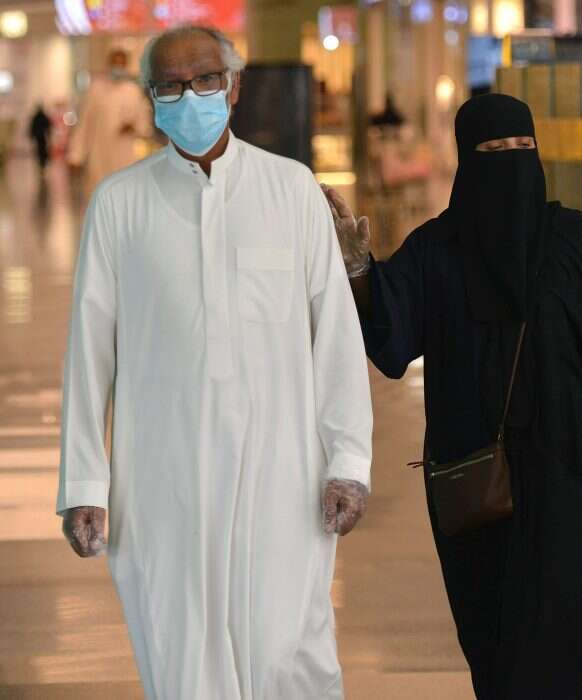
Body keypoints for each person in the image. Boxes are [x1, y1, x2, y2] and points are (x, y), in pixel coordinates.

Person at [57, 25, 373, 699]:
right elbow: (89, 351)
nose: (190, 96)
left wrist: (349, 461)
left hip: (283, 473)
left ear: (233, 87)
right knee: (183, 657)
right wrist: (84, 482)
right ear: (151, 98)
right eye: (171, 86)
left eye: (204, 80)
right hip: (162, 478)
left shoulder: (291, 190)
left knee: (290, 654)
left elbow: (336, 337)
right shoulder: (120, 204)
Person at [323, 93, 582, 699]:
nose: (511, 160)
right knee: (492, 640)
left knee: (561, 640)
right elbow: (394, 338)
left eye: (522, 147)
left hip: (563, 481)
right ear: (468, 160)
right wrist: (360, 272)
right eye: (494, 149)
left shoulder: (572, 241)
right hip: (473, 485)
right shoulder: (436, 248)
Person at [67, 49, 153, 197]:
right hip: (99, 155)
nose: (117, 68)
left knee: (124, 196)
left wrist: (132, 127)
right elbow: (84, 125)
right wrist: (76, 156)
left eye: (121, 64)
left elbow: (144, 126)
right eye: (115, 64)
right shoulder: (96, 91)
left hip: (124, 155)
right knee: (99, 195)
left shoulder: (133, 92)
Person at [28, 104, 51, 171]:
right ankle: (42, 160)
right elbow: (47, 126)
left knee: (41, 148)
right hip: (42, 135)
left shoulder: (37, 117)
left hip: (39, 136)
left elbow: (33, 127)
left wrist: (32, 135)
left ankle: (42, 160)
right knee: (42, 148)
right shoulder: (41, 116)